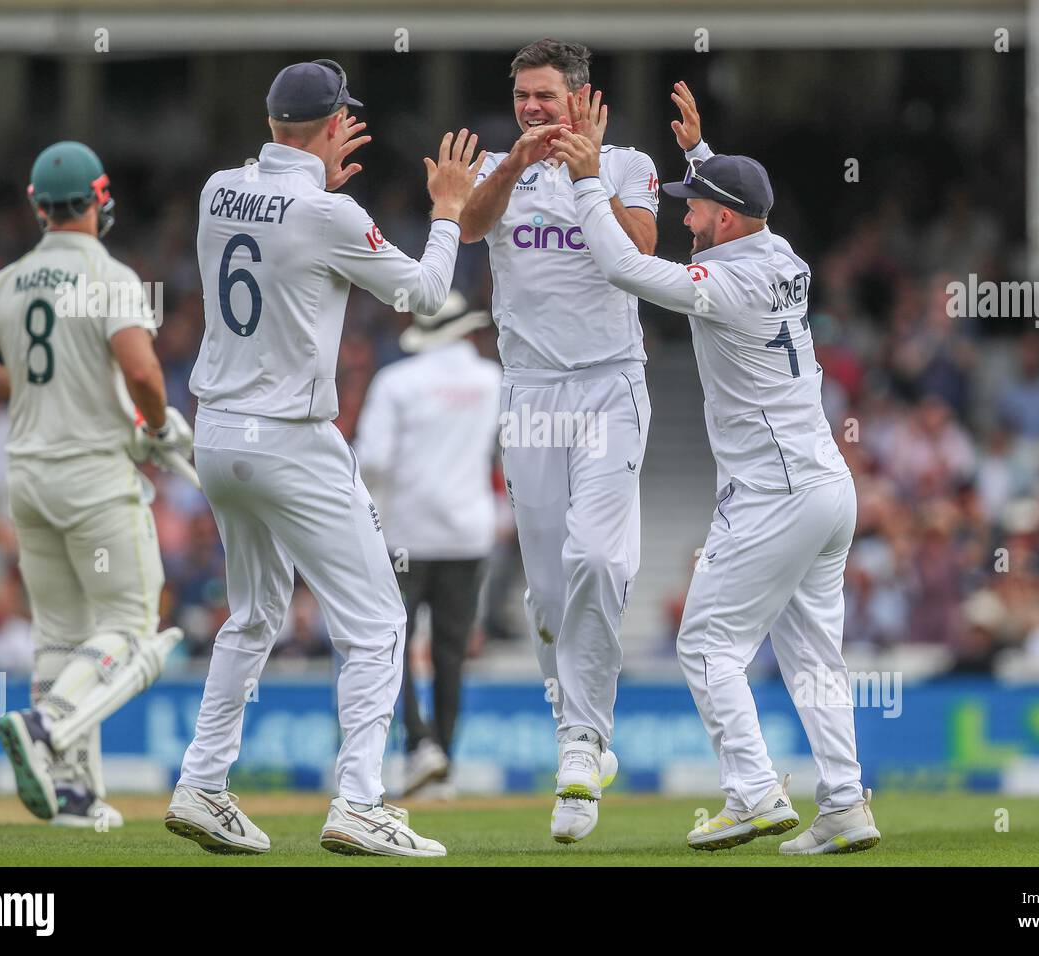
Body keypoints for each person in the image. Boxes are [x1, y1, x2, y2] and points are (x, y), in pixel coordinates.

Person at [549, 82, 881, 855]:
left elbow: (627, 268)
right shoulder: (781, 254)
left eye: (694, 206)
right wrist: (702, 155)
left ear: (724, 220)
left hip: (774, 493)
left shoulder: (726, 283)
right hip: (827, 487)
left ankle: (754, 792)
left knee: (704, 646)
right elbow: (737, 209)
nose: (683, 216)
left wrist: (590, 178)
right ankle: (844, 802)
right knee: (814, 658)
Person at [165, 59, 483, 858]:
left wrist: (312, 171)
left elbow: (278, 207)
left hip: (217, 432)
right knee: (378, 624)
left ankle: (202, 784)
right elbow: (423, 294)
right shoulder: (327, 212)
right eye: (346, 116)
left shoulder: (217, 190)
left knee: (253, 614)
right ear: (335, 123)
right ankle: (361, 801)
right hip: (289, 437)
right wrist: (448, 209)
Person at [0, 140, 188, 829]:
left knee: (59, 636)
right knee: (134, 631)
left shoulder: (6, 281)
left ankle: (75, 791)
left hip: (27, 478)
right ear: (100, 199)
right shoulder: (111, 275)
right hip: (94, 474)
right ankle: (47, 724)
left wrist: (23, 386)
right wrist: (153, 421)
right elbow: (141, 370)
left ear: (37, 206)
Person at [458, 37, 657, 844]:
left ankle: (584, 743)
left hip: (610, 383)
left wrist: (584, 172)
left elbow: (641, 253)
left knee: (599, 560)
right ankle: (574, 743)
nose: (534, 110)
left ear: (580, 97)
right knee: (544, 596)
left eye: (546, 97)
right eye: (523, 98)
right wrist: (514, 164)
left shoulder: (628, 164)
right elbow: (469, 226)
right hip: (532, 392)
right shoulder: (494, 172)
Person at [355, 291, 502, 797]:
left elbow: (371, 460)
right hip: (469, 533)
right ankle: (444, 764)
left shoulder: (397, 383)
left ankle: (421, 747)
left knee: (389, 646)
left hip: (406, 535)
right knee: (451, 654)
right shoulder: (491, 382)